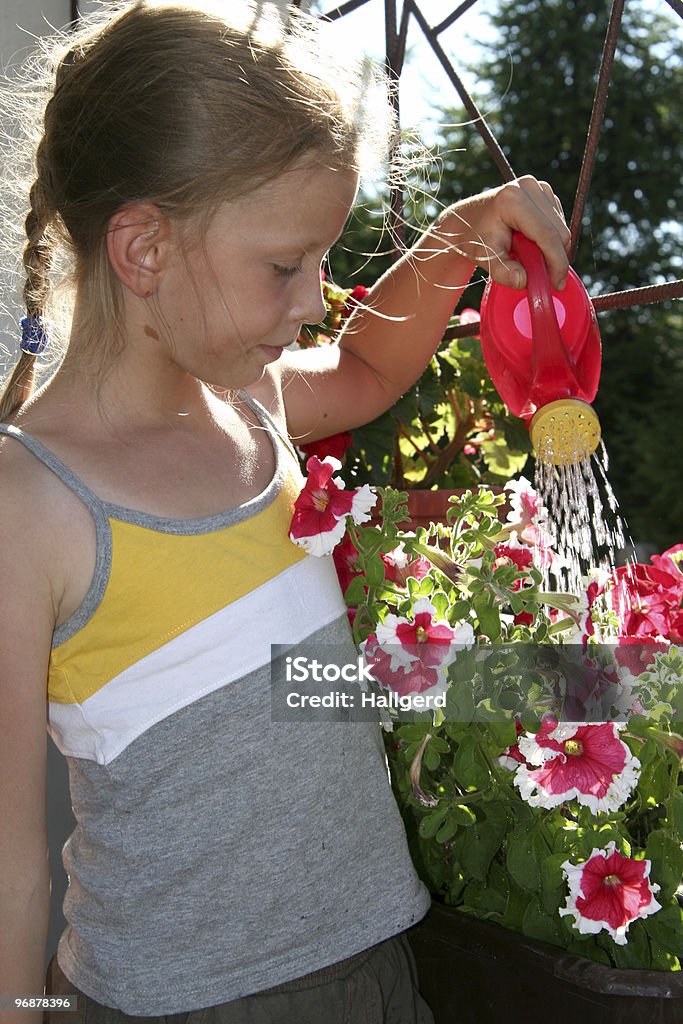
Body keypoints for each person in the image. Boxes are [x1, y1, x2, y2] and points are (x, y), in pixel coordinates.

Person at [0, 2, 570, 1021]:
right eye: (284, 266)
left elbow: (359, 368)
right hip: (179, 1004)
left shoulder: (252, 404)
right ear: (143, 250)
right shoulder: (32, 502)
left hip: (371, 964)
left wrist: (454, 237)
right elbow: (8, 860)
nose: (316, 298)